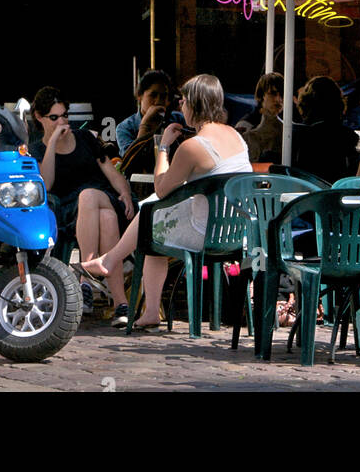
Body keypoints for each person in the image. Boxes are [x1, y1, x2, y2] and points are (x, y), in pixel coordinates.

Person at [82, 73, 251, 329]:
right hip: (238, 231)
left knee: (151, 214)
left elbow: (162, 188)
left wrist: (164, 147)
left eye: (182, 101)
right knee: (153, 214)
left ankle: (112, 263)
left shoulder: (193, 146)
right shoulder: (236, 137)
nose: (179, 106)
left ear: (194, 103)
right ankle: (144, 303)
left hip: (205, 232)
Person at [28, 87, 134, 292]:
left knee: (89, 195)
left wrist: (126, 193)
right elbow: (46, 184)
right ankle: (120, 303)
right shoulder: (37, 150)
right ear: (39, 117)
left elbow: (112, 172)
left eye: (65, 116)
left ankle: (86, 277)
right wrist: (51, 145)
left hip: (103, 195)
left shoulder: (85, 138)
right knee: (106, 219)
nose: (62, 122)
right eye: (54, 117)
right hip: (72, 212)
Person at [114, 70, 185, 177]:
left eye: (163, 96)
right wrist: (145, 126)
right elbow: (129, 163)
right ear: (140, 96)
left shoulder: (177, 119)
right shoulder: (125, 127)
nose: (158, 101)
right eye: (153, 95)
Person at [292, 76, 360, 183]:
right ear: (338, 103)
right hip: (337, 195)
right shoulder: (349, 136)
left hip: (308, 196)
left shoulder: (299, 137)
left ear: (306, 104)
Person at [236, 72, 284, 164]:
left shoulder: (285, 126)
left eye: (282, 94)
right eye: (273, 94)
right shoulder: (246, 125)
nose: (278, 99)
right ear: (262, 95)